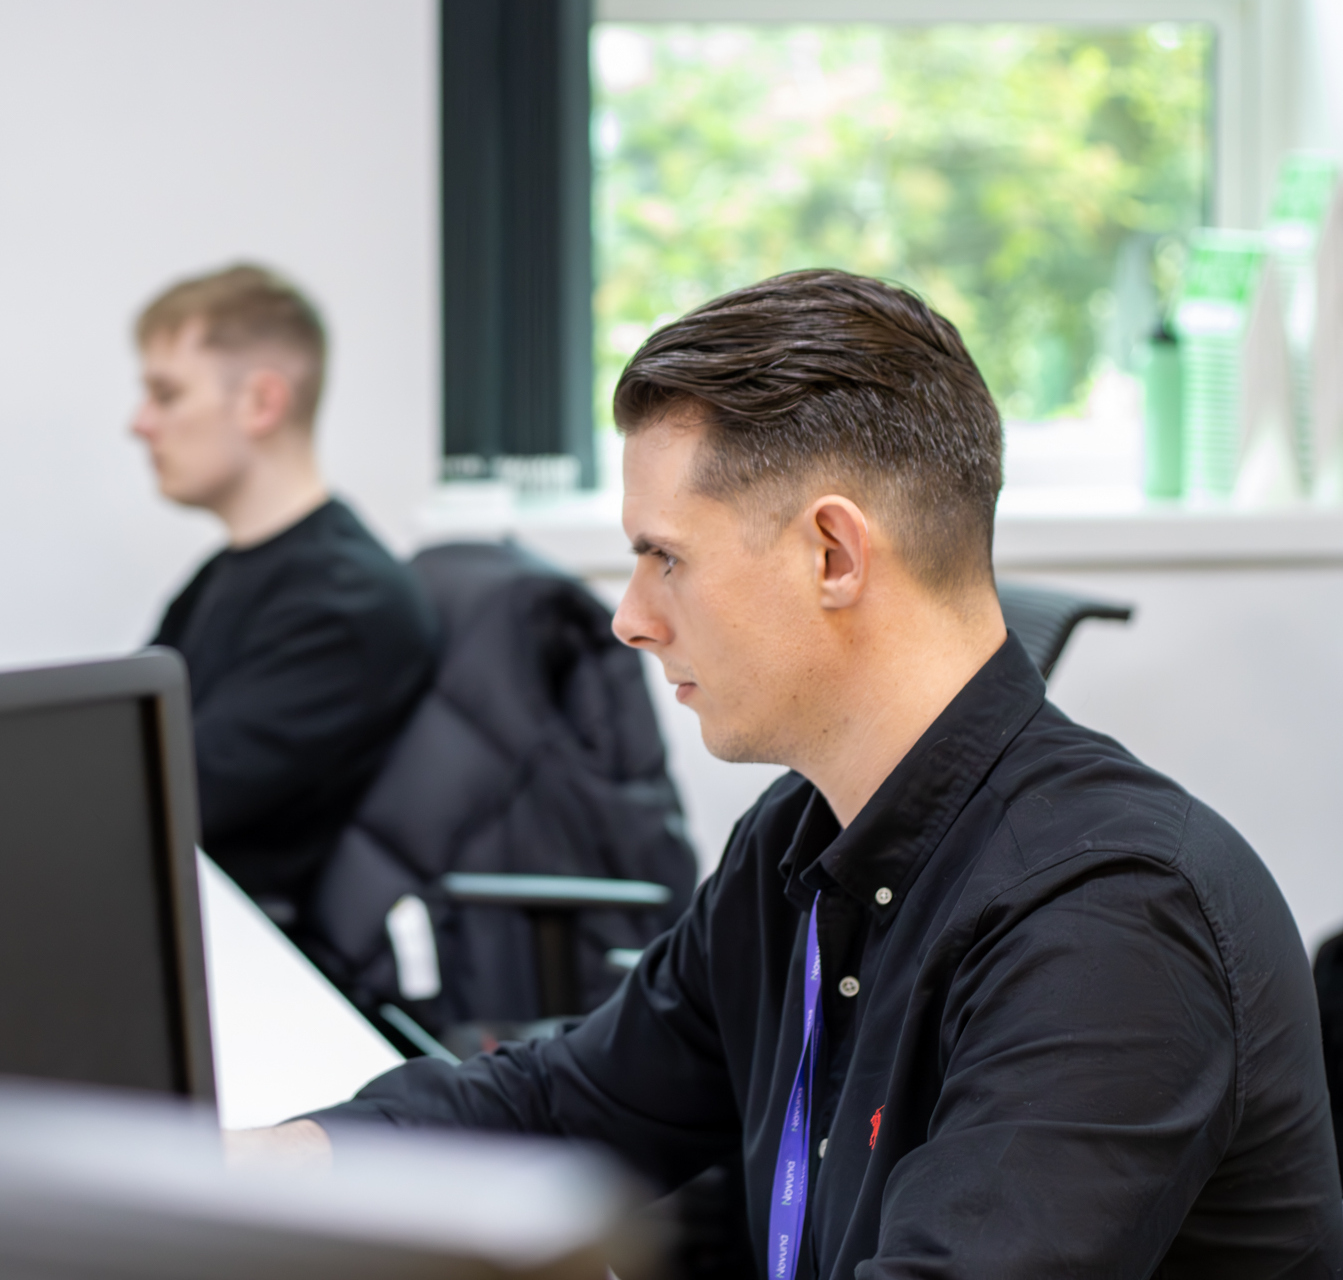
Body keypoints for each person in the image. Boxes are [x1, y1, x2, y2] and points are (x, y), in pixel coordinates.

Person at [231, 270, 1343, 1276]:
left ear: (831, 554)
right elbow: (570, 1100)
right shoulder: (802, 842)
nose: (628, 617)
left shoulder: (1108, 925)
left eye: (665, 557)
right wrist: (279, 1161)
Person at [131, 262, 435, 921]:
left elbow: (157, 796)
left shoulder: (348, 603)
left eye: (166, 394)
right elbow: (123, 744)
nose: (140, 423)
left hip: (248, 949)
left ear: (262, 402)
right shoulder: (225, 574)